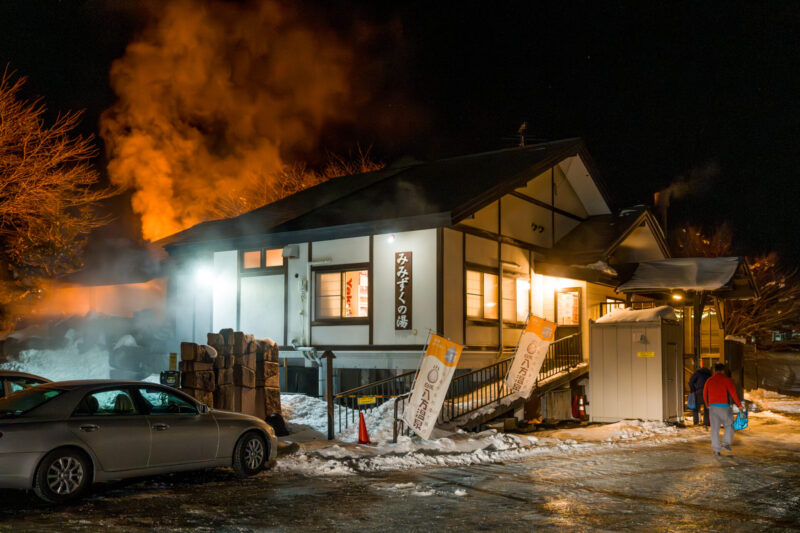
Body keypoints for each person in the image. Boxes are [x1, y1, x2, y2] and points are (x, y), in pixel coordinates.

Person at [703, 363, 743, 456]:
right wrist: (739, 405)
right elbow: (733, 393)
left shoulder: (709, 380)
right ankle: (725, 442)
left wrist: (707, 404)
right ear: (723, 371)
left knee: (714, 429)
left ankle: (717, 450)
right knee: (729, 425)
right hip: (724, 407)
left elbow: (704, 393)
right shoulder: (726, 380)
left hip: (713, 407)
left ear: (715, 371)